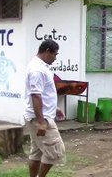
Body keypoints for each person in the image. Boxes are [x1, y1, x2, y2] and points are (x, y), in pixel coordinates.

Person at [23, 39, 66, 177]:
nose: (55, 58)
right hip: (40, 119)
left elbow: (44, 94)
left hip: (39, 115)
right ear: (47, 51)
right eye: (55, 54)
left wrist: (54, 108)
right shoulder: (37, 70)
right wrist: (41, 122)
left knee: (37, 152)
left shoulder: (40, 66)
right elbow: (36, 96)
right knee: (55, 152)